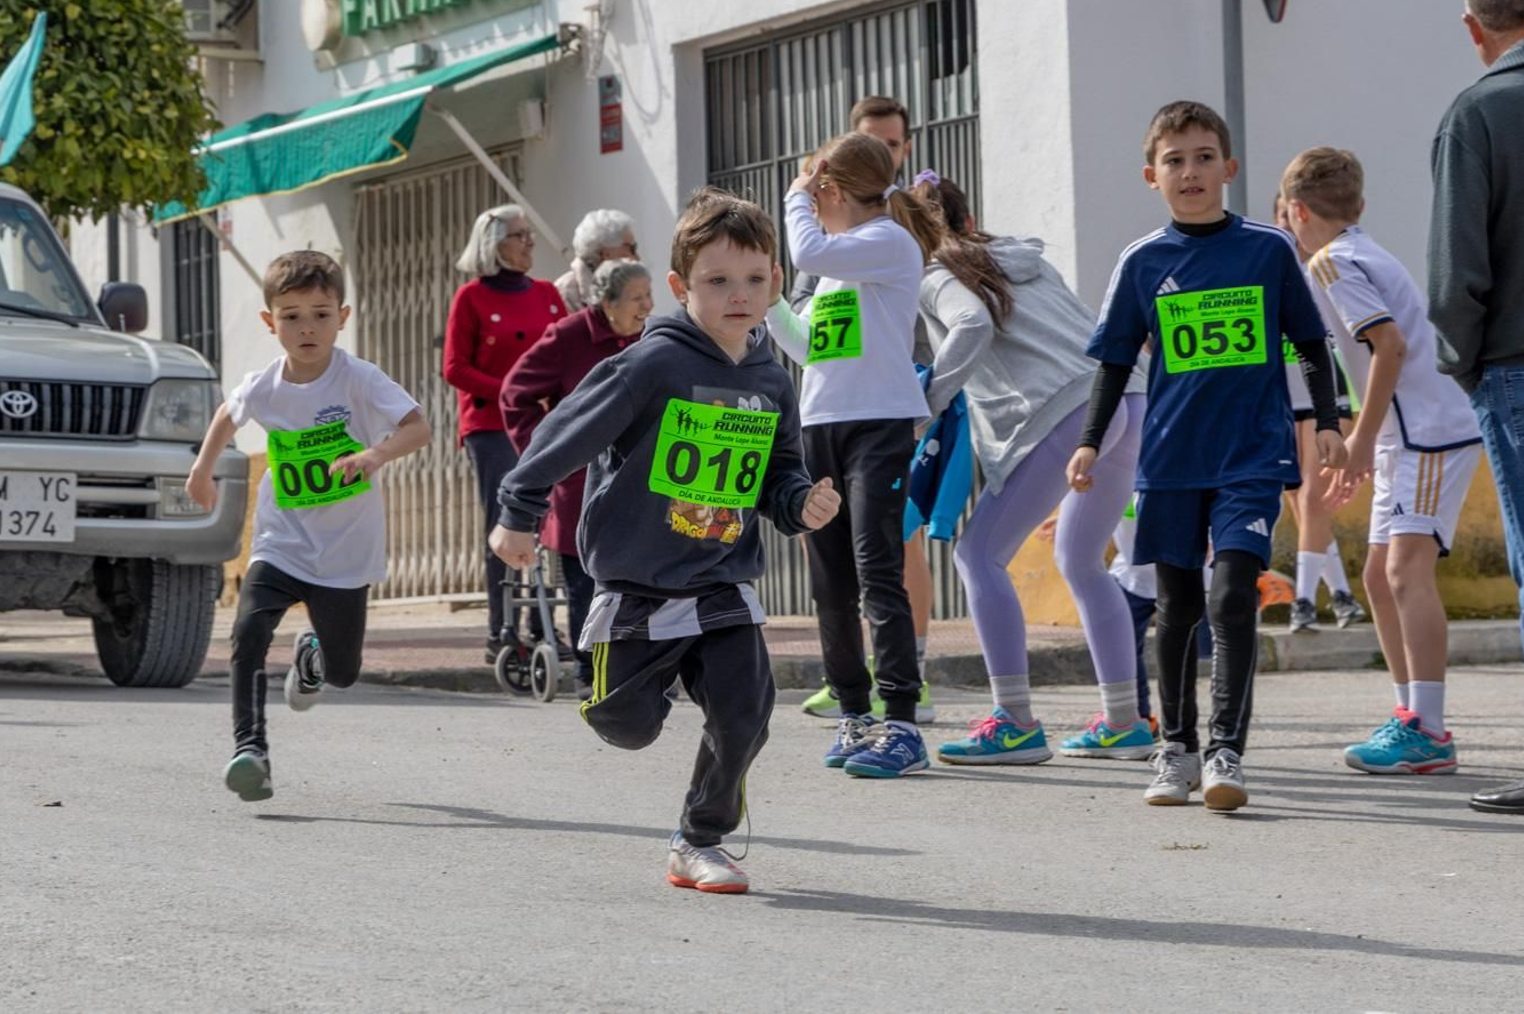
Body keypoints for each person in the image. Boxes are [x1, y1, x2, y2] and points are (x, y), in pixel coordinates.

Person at [490, 188, 840, 894]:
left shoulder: (772, 379)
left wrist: (801, 503)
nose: (737, 295)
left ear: (775, 282)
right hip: (639, 581)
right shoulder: (654, 365)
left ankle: (699, 838)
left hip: (720, 579)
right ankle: (640, 685)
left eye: (753, 279)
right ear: (680, 288)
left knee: (747, 714)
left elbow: (779, 471)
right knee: (626, 724)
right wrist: (519, 508)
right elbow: (569, 430)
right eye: (716, 281)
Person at [1072, 100, 1342, 812]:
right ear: (1150, 175)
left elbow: (1311, 343)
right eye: (1174, 160)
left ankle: (1226, 749)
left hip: (1251, 454)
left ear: (1229, 166)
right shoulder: (1142, 262)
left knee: (1231, 596)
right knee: (1177, 605)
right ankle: (1177, 749)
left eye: (1201, 157)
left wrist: (1328, 421)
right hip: (1169, 460)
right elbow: (1112, 364)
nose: (1189, 171)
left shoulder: (1267, 249)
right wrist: (1091, 442)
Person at [898, 175, 1150, 766]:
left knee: (977, 555)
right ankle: (1125, 721)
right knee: (1082, 560)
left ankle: (1013, 719)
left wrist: (924, 408)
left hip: (1064, 410)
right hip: (1128, 400)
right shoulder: (1019, 259)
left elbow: (971, 329)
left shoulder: (934, 276)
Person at [184, 251, 431, 802]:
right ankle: (251, 751)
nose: (307, 328)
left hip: (345, 551)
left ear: (342, 316)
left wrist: (374, 455)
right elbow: (229, 414)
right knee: (247, 633)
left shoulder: (360, 379)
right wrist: (202, 471)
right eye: (291, 316)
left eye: (320, 314)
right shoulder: (265, 384)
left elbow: (419, 428)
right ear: (269, 322)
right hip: (282, 540)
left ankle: (314, 655)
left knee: (344, 673)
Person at [1283, 147, 1484, 776]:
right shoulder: (1360, 249)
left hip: (1428, 431)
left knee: (1403, 572)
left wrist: (1363, 441)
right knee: (1377, 576)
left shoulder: (1332, 262)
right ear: (1358, 206)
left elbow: (1388, 348)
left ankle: (1428, 729)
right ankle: (1408, 717)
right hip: (1412, 433)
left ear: (1294, 212)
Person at [767, 131, 943, 778]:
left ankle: (901, 720)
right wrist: (772, 300)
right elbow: (809, 346)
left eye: (818, 195)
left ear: (831, 193)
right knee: (830, 581)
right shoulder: (837, 270)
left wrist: (793, 199)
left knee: (876, 568)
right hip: (822, 424)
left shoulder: (888, 243)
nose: (812, 205)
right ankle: (853, 712)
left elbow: (807, 241)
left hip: (879, 424)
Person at [1426, 0, 1524, 813]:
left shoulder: (1479, 111)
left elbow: (1455, 274)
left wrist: (1466, 364)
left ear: (1475, 30)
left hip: (1522, 368)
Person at [500, 258, 655, 699]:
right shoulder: (569, 337)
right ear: (606, 303)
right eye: (637, 298)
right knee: (586, 581)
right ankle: (593, 672)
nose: (648, 305)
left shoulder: (650, 338)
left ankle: (639, 667)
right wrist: (549, 452)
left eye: (649, 295)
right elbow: (515, 393)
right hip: (581, 486)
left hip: (640, 481)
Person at [442, 205, 568, 662]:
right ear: (495, 244)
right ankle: (502, 629)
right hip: (491, 425)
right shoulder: (470, 298)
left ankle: (543, 623)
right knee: (506, 520)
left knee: (549, 519)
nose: (530, 242)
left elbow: (563, 354)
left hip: (543, 423)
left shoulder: (548, 293)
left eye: (531, 234)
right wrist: (512, 392)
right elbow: (455, 368)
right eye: (520, 235)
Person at [1272, 194, 1366, 633]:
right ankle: (1343, 596)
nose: (1288, 228)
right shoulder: (1270, 274)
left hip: (1327, 396)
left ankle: (1304, 603)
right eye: (1280, 219)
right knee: (1302, 505)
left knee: (1314, 498)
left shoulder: (1326, 269)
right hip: (1285, 400)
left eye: (1292, 217)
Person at [556, 209, 638, 313]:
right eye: (632, 249)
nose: (637, 258)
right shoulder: (565, 293)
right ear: (607, 254)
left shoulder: (628, 286)